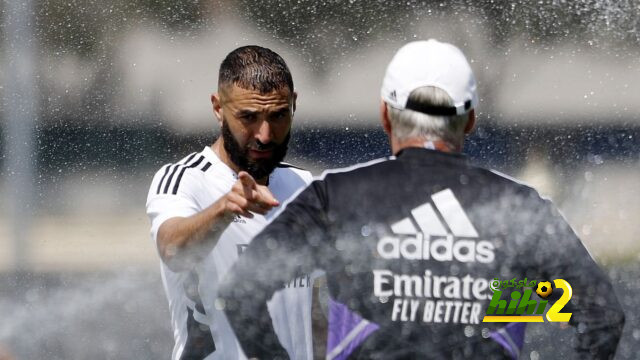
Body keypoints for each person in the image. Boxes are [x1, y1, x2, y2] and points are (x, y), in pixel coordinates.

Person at [219, 40, 625, 359]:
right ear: (469, 120)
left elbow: (240, 290)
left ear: (384, 114)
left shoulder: (335, 198)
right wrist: (503, 296)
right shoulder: (518, 208)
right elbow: (601, 315)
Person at [146, 45, 319, 360]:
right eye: (249, 117)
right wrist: (225, 208)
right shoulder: (186, 180)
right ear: (217, 107)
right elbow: (172, 250)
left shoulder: (306, 188)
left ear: (294, 105)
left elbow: (321, 308)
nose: (265, 135)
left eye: (278, 115)